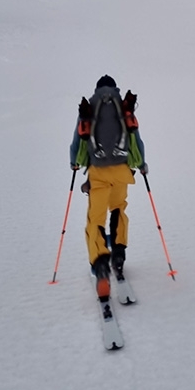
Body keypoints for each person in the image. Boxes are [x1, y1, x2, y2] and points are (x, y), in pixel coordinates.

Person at [70, 75, 148, 300]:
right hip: (122, 171)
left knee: (95, 220)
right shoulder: (123, 107)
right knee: (118, 209)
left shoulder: (89, 107)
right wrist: (141, 164)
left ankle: (101, 265)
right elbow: (136, 137)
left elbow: (78, 139)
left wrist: (74, 162)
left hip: (98, 173)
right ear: (115, 88)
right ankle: (119, 255)